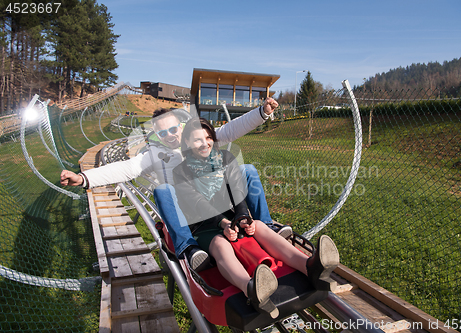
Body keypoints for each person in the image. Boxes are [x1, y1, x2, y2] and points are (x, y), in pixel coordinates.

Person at [60, 99, 289, 271]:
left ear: (181, 127)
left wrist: (262, 113)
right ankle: (188, 247)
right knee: (163, 189)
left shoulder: (198, 140)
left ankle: (267, 224)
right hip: (188, 211)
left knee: (245, 169)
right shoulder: (155, 155)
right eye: (162, 132)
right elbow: (125, 168)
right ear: (157, 134)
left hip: (215, 203)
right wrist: (84, 178)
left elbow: (230, 130)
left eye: (172, 129)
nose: (169, 135)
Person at [172, 117, 339, 318]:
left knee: (259, 226)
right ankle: (249, 287)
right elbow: (196, 204)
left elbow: (238, 190)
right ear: (187, 143)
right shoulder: (180, 172)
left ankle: (308, 266)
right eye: (197, 140)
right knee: (220, 244)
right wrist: (224, 224)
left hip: (231, 220)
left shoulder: (225, 158)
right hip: (204, 225)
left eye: (208, 137)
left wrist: (243, 217)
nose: (205, 143)